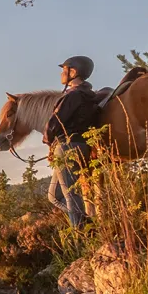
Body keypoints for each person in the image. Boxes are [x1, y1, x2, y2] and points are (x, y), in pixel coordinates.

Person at [43, 55, 101, 228]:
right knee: (54, 195)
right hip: (83, 146)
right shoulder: (90, 96)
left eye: (64, 69)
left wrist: (48, 141)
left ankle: (84, 235)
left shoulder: (73, 95)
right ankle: (88, 223)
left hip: (67, 147)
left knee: (70, 196)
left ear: (73, 72)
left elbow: (55, 122)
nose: (62, 73)